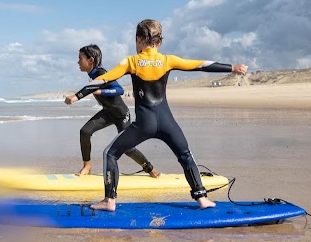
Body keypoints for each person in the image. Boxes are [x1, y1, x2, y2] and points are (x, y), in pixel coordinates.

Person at [65, 19, 247, 211]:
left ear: (138, 39)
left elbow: (102, 80)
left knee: (110, 154)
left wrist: (76, 96)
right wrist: (232, 67)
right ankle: (202, 198)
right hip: (168, 122)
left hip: (144, 124)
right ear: (159, 42)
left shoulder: (131, 62)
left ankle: (109, 201)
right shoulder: (168, 60)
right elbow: (200, 65)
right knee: (185, 155)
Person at [64, 44, 160, 179]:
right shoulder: (93, 75)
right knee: (85, 132)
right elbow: (89, 88)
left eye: (80, 58)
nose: (78, 62)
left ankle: (150, 168)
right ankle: (87, 166)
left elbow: (119, 90)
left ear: (90, 60)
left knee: (127, 148)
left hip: (121, 115)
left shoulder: (102, 73)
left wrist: (96, 92)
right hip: (108, 112)